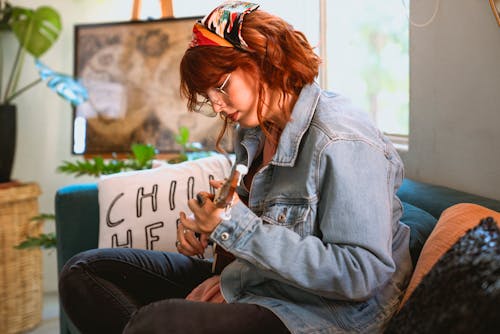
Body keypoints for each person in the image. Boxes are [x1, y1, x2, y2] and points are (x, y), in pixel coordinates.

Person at [59, 2, 413, 333]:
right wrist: (210, 229)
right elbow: (256, 227)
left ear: (264, 60)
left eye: (221, 86)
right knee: (84, 273)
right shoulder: (256, 130)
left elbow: (361, 274)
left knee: (157, 321)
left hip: (320, 311)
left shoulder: (341, 139)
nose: (216, 104)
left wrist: (235, 230)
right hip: (263, 282)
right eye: (208, 94)